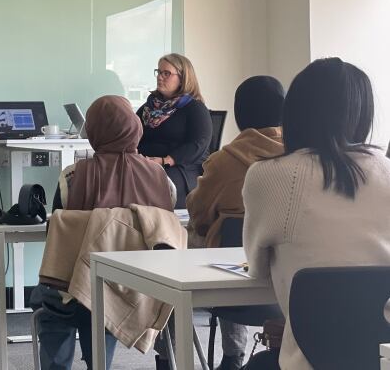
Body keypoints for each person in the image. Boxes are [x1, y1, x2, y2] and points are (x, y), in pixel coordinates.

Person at [243, 58, 390, 369]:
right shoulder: (385, 170)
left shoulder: (268, 176)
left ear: (294, 112)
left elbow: (257, 268)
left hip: (310, 358)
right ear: (362, 114)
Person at [33, 95, 176, 370]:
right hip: (139, 294)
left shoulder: (72, 178)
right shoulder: (163, 180)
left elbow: (56, 237)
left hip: (77, 295)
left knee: (54, 297)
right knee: (104, 300)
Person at [183, 75, 285, 370]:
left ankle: (231, 354)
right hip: (291, 286)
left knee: (218, 238)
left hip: (230, 286)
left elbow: (199, 214)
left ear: (240, 114)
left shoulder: (224, 161)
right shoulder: (301, 155)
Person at [137, 53, 212, 208]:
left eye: (167, 73)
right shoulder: (148, 108)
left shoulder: (194, 108)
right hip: (147, 164)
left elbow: (199, 143)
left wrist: (165, 160)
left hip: (181, 167)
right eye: (159, 72)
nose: (160, 77)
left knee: (153, 183)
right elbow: (132, 133)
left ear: (183, 78)